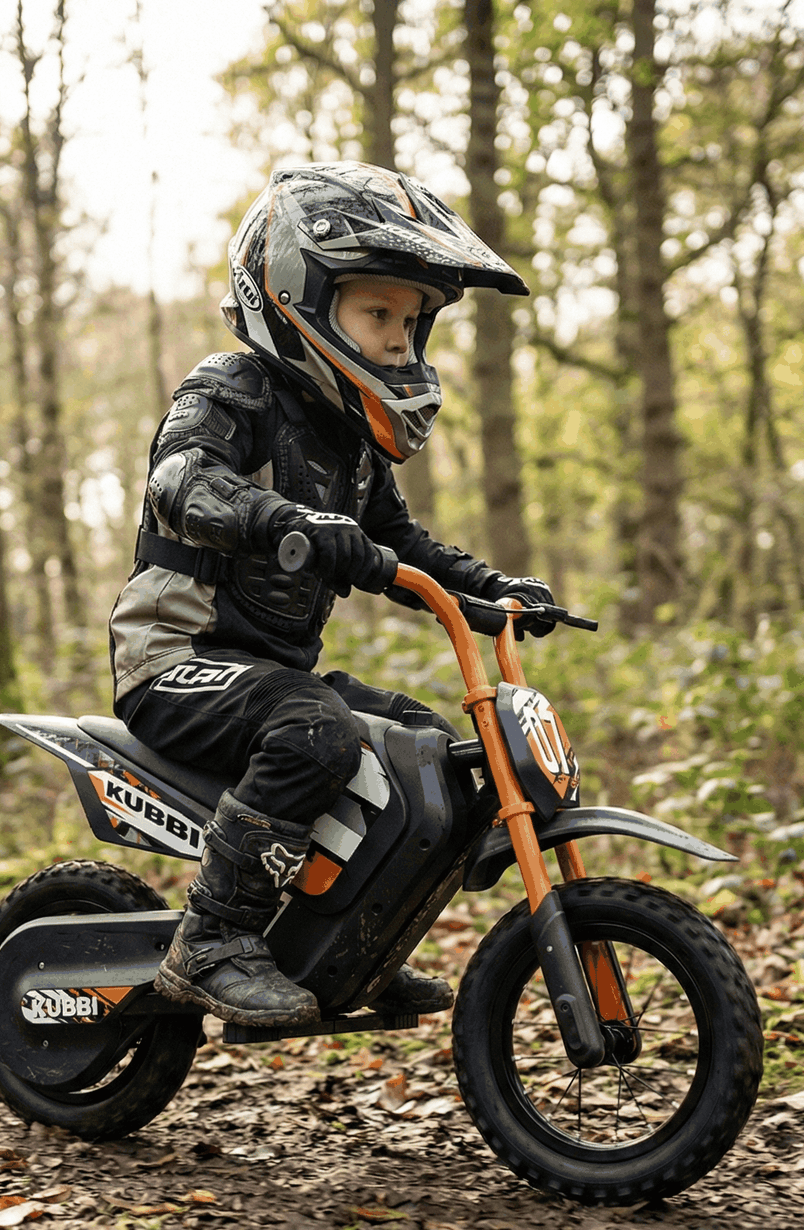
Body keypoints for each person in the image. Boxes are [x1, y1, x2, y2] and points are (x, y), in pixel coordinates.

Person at [108, 161, 555, 1028]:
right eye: (375, 312)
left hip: (269, 671)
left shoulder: (352, 443)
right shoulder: (231, 389)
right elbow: (180, 478)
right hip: (177, 661)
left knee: (425, 746)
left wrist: (491, 590)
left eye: (410, 320)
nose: (397, 337)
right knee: (313, 731)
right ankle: (211, 939)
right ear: (297, 298)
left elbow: (405, 545)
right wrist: (286, 518)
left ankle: (348, 942)